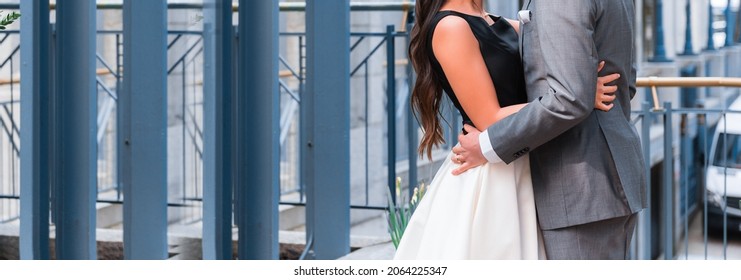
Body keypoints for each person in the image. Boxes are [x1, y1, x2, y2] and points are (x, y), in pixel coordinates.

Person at [393, 0, 619, 259]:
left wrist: (577, 83)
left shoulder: (497, 21)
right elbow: (491, 118)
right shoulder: (450, 27)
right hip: (492, 173)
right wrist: (578, 96)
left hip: (526, 157)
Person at [451, 0, 646, 259]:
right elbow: (624, 83)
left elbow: (569, 98)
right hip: (600, 182)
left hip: (579, 186)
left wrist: (487, 146)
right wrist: (583, 90)